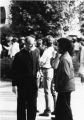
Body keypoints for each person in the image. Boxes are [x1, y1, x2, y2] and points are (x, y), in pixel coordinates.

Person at [11, 35, 40, 120]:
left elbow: (37, 64)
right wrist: (14, 85)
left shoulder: (36, 51)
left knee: (33, 105)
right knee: (21, 105)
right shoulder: (19, 55)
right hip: (22, 84)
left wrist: (38, 71)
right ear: (25, 44)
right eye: (30, 44)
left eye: (33, 44)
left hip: (33, 83)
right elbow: (14, 71)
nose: (32, 46)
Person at [53, 38, 75, 120]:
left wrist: (59, 86)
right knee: (63, 107)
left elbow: (66, 75)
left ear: (63, 47)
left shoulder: (64, 58)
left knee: (64, 108)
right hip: (66, 87)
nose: (57, 48)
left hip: (65, 87)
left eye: (58, 46)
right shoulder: (65, 56)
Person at [39, 35, 57, 116]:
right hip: (53, 70)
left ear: (46, 42)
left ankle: (47, 109)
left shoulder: (46, 51)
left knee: (47, 91)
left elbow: (41, 62)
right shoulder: (54, 49)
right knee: (53, 91)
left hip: (47, 70)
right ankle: (56, 109)